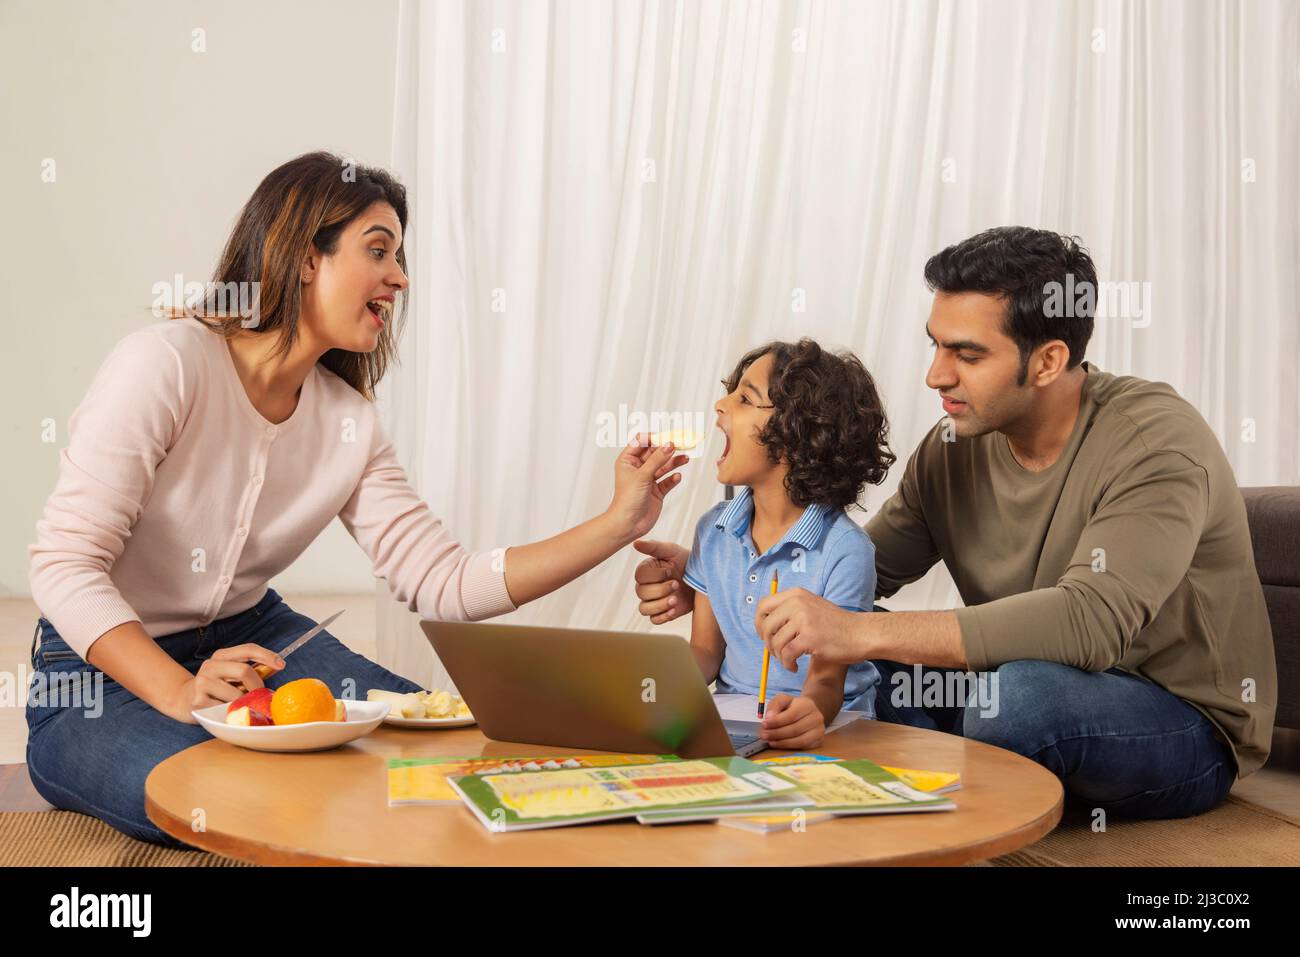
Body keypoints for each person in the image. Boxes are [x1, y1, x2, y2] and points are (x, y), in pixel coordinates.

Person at [26, 151, 689, 847]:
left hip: (258, 644)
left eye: (400, 256)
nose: (399, 277)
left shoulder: (349, 420)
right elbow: (64, 564)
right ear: (307, 255)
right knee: (225, 796)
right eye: (379, 250)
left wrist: (618, 524)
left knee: (441, 750)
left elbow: (445, 583)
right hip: (98, 673)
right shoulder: (165, 365)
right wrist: (176, 689)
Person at [634, 226, 1276, 820]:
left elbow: (1089, 623)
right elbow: (852, 570)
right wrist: (717, 581)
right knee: (850, 658)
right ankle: (931, 778)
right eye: (936, 345)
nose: (936, 374)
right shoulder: (953, 446)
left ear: (1048, 361)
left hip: (1177, 719)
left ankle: (959, 774)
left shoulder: (1154, 441)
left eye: (966, 353)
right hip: (996, 683)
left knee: (1018, 698)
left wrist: (854, 632)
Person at [675, 339, 893, 750]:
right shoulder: (712, 531)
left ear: (798, 432)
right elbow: (704, 650)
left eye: (744, 398)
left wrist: (810, 711)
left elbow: (827, 680)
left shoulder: (845, 549)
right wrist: (653, 689)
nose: (721, 404)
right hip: (736, 724)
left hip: (834, 727)